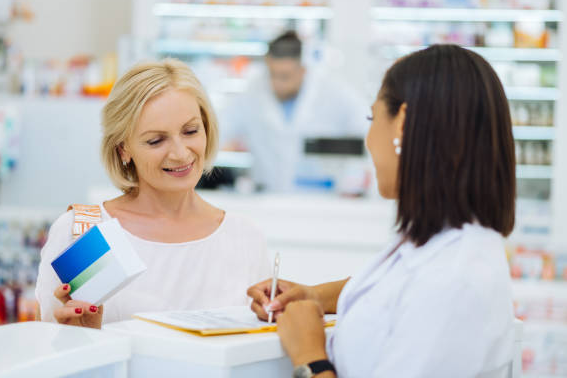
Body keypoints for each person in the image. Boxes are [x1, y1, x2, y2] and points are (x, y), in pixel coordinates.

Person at [247, 44, 516, 377]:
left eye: (373, 119)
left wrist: (309, 355)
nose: (369, 140)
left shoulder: (452, 280)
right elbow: (395, 292)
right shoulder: (439, 243)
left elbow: (421, 295)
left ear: (401, 124)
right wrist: (313, 295)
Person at [36, 59, 271, 328]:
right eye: (156, 140)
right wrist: (80, 338)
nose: (181, 153)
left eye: (191, 131)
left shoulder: (244, 239)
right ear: (123, 148)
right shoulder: (85, 231)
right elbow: (51, 354)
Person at [220, 31, 368, 192]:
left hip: (320, 200)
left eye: (285, 76)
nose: (277, 83)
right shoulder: (252, 93)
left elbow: (368, 132)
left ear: (303, 70)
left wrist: (353, 181)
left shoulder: (334, 94)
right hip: (268, 197)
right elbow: (219, 128)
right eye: (272, 74)